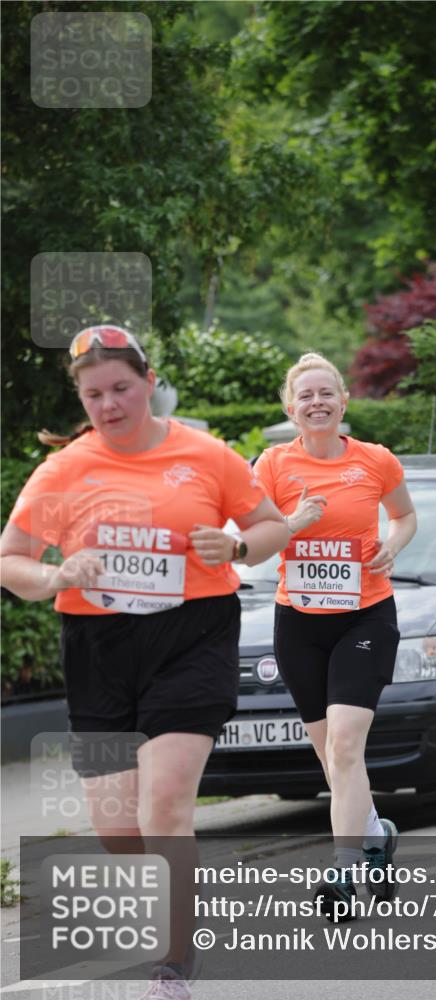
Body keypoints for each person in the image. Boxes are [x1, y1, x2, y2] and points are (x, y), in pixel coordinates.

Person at [0, 325, 289, 999]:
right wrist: (56, 574)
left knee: (164, 804)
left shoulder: (207, 454)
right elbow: (10, 561)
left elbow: (272, 525)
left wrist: (235, 549)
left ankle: (174, 957)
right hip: (97, 647)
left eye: (121, 388)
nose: (108, 405)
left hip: (191, 639)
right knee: (117, 826)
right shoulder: (64, 468)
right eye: (93, 393)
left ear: (149, 380)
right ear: (81, 395)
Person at [254, 352, 417, 919]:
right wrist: (291, 524)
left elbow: (403, 517)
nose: (317, 402)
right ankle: (376, 834)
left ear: (343, 402)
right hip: (297, 621)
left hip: (365, 616)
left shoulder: (375, 461)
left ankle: (343, 873)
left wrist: (393, 546)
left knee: (346, 746)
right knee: (330, 756)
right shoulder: (272, 465)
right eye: (306, 396)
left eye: (327, 393)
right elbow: (252, 540)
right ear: (290, 408)